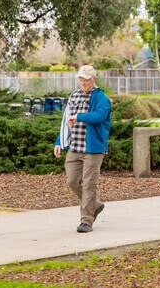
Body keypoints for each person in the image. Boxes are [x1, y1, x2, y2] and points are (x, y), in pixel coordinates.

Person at [54, 65, 111, 233]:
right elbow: (66, 120)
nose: (83, 83)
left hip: (93, 149)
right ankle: (96, 205)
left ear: (93, 79)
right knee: (71, 181)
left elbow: (99, 116)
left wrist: (79, 117)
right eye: (81, 79)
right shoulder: (74, 95)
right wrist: (59, 142)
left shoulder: (101, 98)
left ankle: (86, 220)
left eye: (86, 80)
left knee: (89, 184)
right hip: (74, 148)